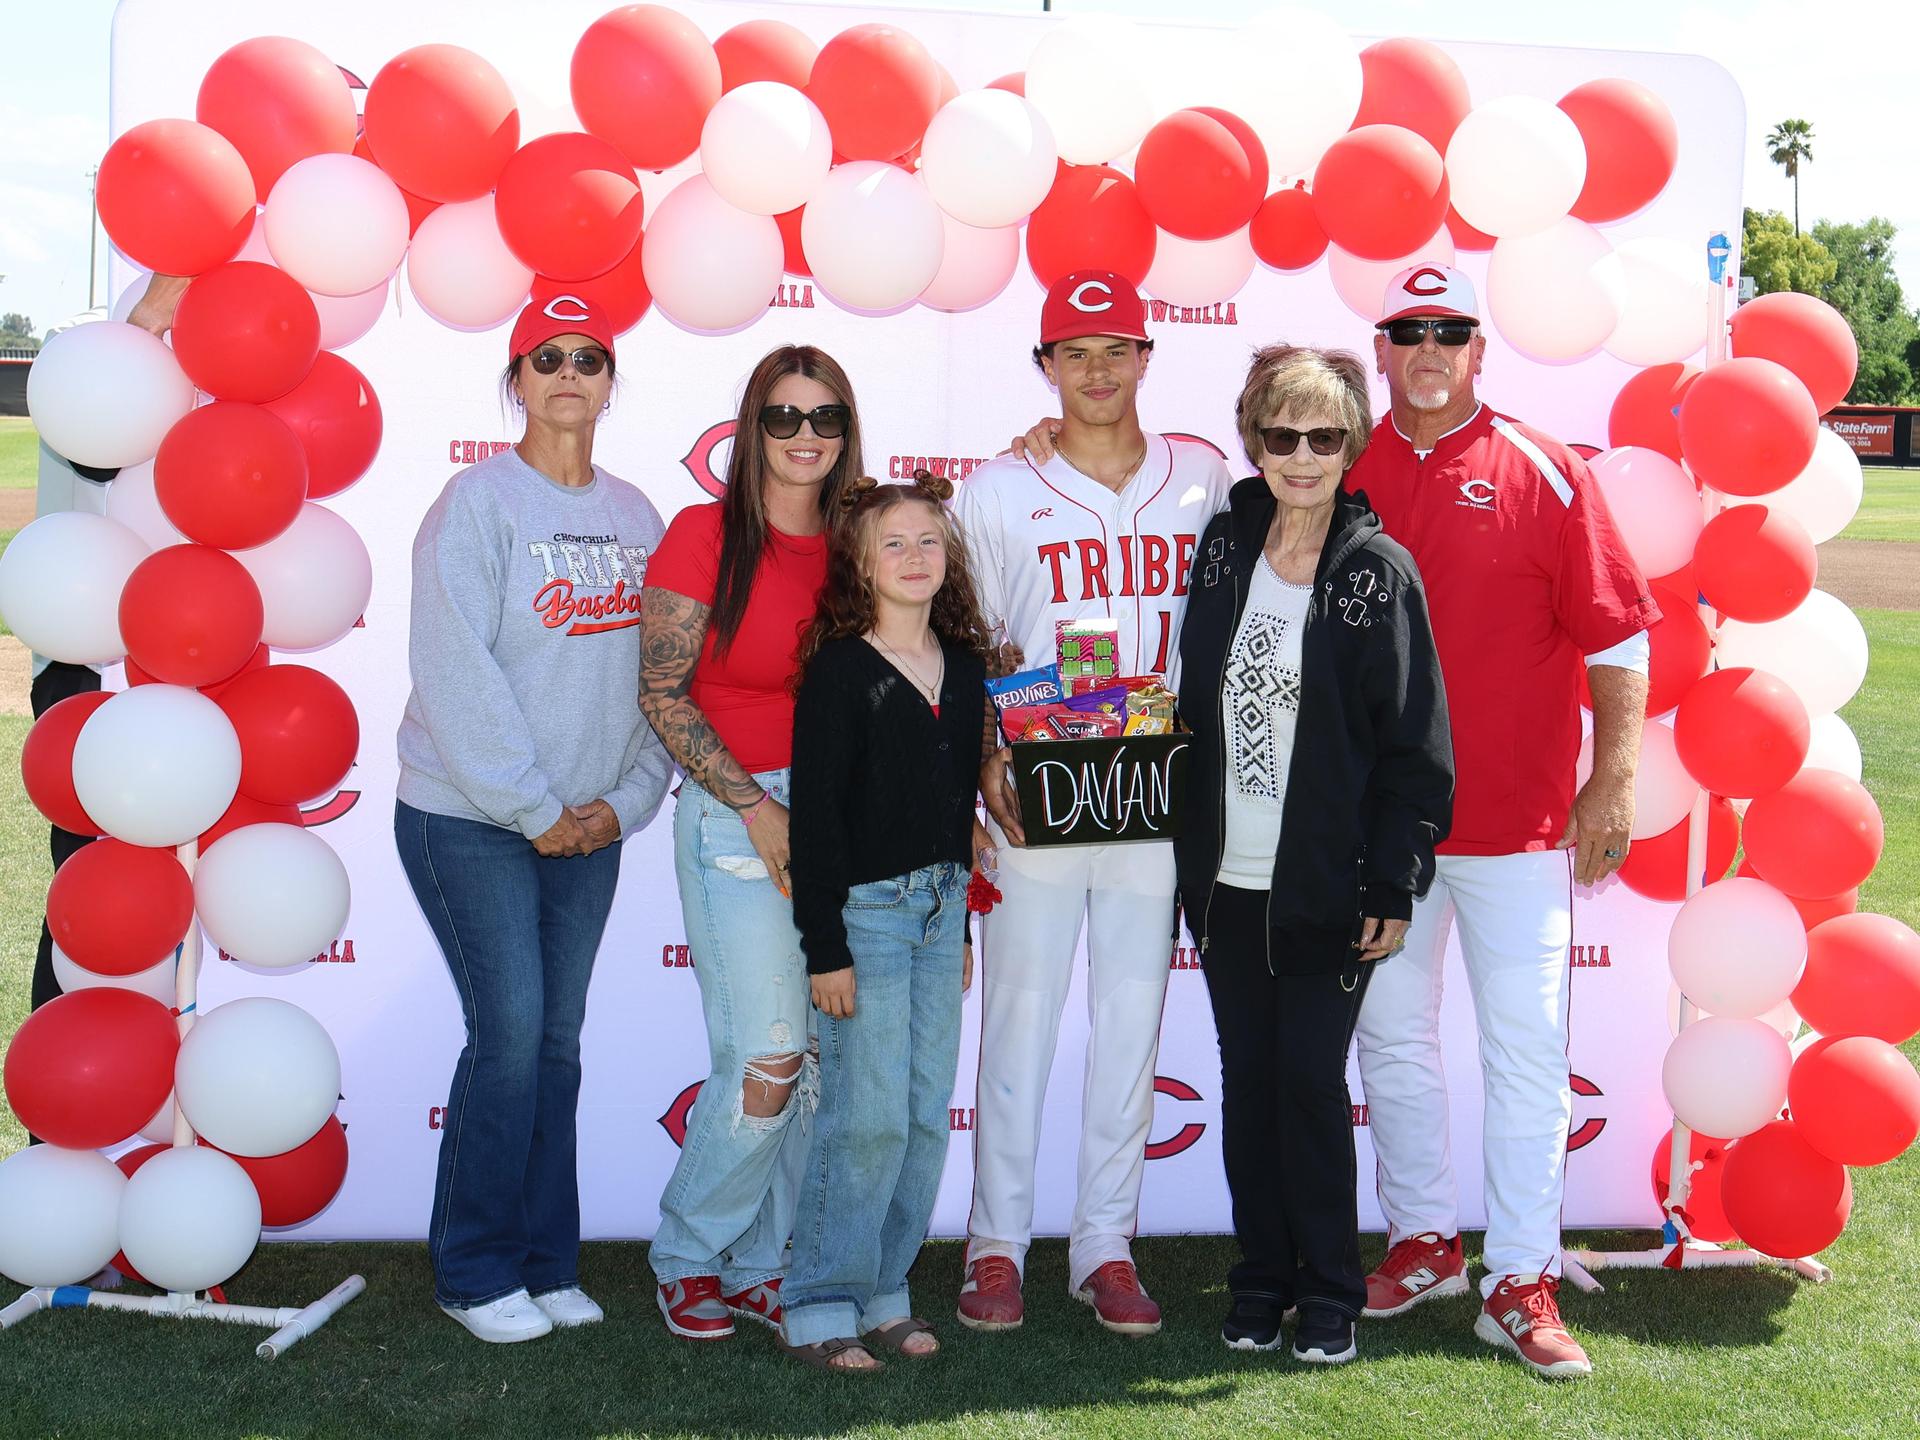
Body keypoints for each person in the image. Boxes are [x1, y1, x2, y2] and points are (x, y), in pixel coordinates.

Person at [1346, 266, 1657, 1380]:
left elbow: (1618, 635)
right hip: (1383, 833)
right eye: (1408, 332)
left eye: (1450, 332)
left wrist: (1612, 780)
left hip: (1521, 824)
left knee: (1527, 1052)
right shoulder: (1343, 467)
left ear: (1479, 349)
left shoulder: (1542, 464)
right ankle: (1424, 1238)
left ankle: (1518, 1275)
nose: (1428, 350)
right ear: (1380, 349)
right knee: (1391, 1040)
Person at [954, 271, 1234, 1336]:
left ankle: (1105, 1246)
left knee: (1132, 1018)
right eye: (1075, 352)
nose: (1099, 370)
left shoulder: (1204, 474)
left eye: (1117, 348)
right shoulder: (992, 488)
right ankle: (993, 1246)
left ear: (1149, 358)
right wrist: (983, 752)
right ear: (1044, 368)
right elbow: (967, 633)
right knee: (1017, 1018)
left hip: (1156, 782)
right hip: (1040, 780)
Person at [393, 295, 672, 1344]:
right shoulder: (478, 504)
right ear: (517, 379)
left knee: (556, 1044)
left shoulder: (638, 516)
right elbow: (456, 673)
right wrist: (535, 807)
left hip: (588, 827)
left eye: (589, 358)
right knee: (509, 1035)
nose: (568, 373)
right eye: (546, 357)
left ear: (609, 380)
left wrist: (625, 803)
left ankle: (548, 1261)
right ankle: (472, 1270)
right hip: (468, 818)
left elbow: (662, 677)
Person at [1176, 345, 1452, 1364]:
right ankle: (1260, 1280)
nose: (1300, 456)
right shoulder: (1221, 546)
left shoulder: (1380, 574)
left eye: (1322, 437)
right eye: (1281, 435)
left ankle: (1330, 1291)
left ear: (1351, 447)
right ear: (1255, 440)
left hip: (1327, 885)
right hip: (1224, 882)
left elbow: (1414, 745)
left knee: (1306, 1079)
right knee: (1248, 1081)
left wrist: (1394, 877)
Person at [640, 345, 864, 1341]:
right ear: (752, 428)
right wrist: (755, 805)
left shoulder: (864, 547)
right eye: (784, 417)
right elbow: (662, 692)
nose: (805, 436)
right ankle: (689, 1254)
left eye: (824, 419)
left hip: (851, 817)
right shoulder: (703, 537)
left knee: (818, 1064)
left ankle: (764, 1265)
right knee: (767, 1057)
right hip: (740, 816)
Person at [780, 473, 994, 1371]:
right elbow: (818, 822)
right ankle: (818, 1300)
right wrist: (824, 948)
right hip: (865, 921)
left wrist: (966, 931)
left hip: (942, 912)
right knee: (862, 1120)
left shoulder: (967, 664)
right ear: (860, 567)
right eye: (893, 545)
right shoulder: (838, 671)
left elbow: (955, 815)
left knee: (920, 1118)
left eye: (928, 542)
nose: (915, 558)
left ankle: (886, 1292)